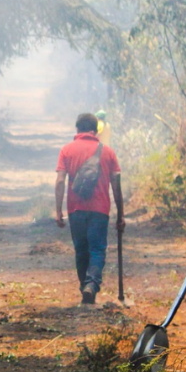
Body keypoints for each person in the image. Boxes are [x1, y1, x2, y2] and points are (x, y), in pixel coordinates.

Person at [54, 113, 125, 305]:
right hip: (100, 210)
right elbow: (116, 184)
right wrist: (121, 215)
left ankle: (84, 287)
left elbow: (60, 181)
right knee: (97, 249)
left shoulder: (66, 150)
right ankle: (91, 285)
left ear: (77, 129)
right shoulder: (108, 152)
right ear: (95, 131)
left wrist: (58, 210)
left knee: (81, 250)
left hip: (75, 209)